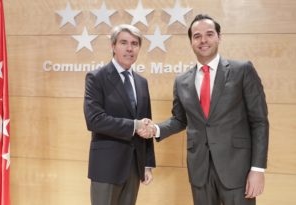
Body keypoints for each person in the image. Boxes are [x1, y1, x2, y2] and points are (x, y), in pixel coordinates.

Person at [138, 14, 269, 205]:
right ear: (191, 41)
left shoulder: (242, 70)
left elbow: (259, 122)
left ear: (219, 37)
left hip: (237, 169)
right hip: (200, 170)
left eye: (209, 34)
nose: (203, 40)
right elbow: (179, 119)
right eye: (197, 36)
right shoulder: (182, 81)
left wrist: (257, 169)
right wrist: (155, 129)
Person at [83, 24, 156, 205]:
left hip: (134, 166)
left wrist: (147, 164)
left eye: (134, 43)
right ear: (113, 46)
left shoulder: (141, 82)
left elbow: (146, 123)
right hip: (107, 166)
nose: (129, 48)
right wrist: (134, 125)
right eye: (123, 42)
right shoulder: (96, 77)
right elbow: (94, 120)